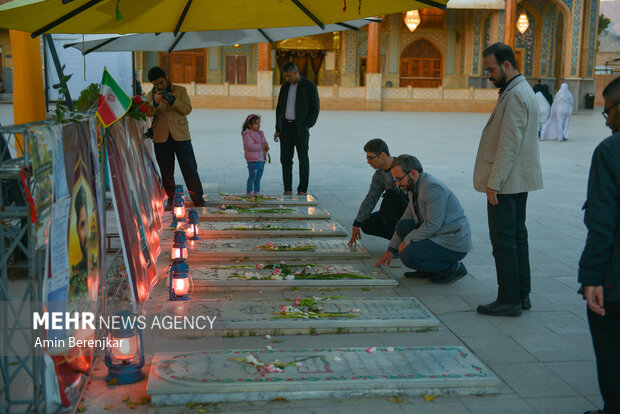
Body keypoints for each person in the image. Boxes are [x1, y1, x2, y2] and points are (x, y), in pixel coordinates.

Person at [474, 43, 543, 317]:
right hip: (517, 181)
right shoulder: (520, 90)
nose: (488, 75)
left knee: (504, 241)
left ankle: (509, 299)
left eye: (491, 69)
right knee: (517, 238)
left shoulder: (515, 95)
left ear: (506, 65)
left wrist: (494, 182)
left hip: (506, 182)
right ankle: (521, 294)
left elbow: (509, 144)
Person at [578, 76, 620, 414]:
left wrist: (592, 278)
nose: (605, 121)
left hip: (614, 279)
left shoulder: (611, 151)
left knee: (610, 347)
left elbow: (602, 222)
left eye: (608, 112)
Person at [375, 155, 473, 284]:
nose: (397, 184)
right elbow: (405, 219)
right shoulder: (413, 187)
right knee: (403, 225)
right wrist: (391, 249)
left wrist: (407, 241)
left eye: (399, 179)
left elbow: (432, 225)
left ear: (413, 173)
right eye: (395, 180)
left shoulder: (433, 188)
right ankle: (428, 268)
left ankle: (453, 269)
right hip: (437, 233)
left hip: (452, 241)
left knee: (408, 256)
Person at [145, 66, 204, 209]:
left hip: (181, 135)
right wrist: (155, 103)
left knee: (189, 168)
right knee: (166, 170)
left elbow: (187, 109)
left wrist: (173, 101)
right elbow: (147, 112)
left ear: (166, 78)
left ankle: (198, 198)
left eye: (161, 83)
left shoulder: (180, 90)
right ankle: (171, 199)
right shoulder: (150, 95)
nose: (159, 86)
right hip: (161, 137)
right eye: (156, 84)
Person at [348, 139, 407, 247]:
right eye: (367, 158)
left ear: (383, 155)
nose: (368, 162)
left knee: (390, 197)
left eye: (371, 158)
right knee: (366, 223)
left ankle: (402, 241)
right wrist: (357, 223)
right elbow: (371, 198)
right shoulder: (379, 175)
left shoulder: (403, 165)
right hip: (395, 214)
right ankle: (399, 240)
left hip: (411, 212)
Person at [274, 61, 320, 195]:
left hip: (301, 129)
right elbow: (279, 109)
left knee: (303, 159)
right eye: (285, 77)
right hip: (286, 129)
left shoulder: (309, 86)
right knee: (285, 159)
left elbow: (315, 108)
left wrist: (307, 125)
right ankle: (287, 188)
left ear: (295, 73)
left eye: (288, 76)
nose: (287, 79)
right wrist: (278, 129)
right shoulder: (284, 87)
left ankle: (302, 189)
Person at [242, 114, 269, 195]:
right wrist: (261, 146)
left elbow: (264, 143)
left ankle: (257, 191)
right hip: (253, 160)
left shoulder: (260, 133)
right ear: (250, 125)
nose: (258, 125)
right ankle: (249, 191)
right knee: (252, 176)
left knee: (258, 177)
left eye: (259, 123)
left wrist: (266, 147)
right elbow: (249, 147)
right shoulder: (248, 134)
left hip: (261, 159)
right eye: (256, 123)